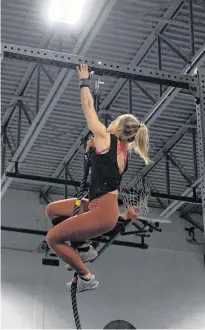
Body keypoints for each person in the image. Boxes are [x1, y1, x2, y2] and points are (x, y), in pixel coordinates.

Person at [45, 64, 150, 292]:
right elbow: (103, 168)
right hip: (99, 207)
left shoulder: (107, 139)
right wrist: (91, 151)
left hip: (102, 212)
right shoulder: (121, 151)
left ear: (117, 126)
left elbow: (87, 107)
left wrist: (84, 82)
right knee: (52, 210)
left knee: (52, 239)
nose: (108, 124)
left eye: (112, 122)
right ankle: (83, 248)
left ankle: (86, 277)